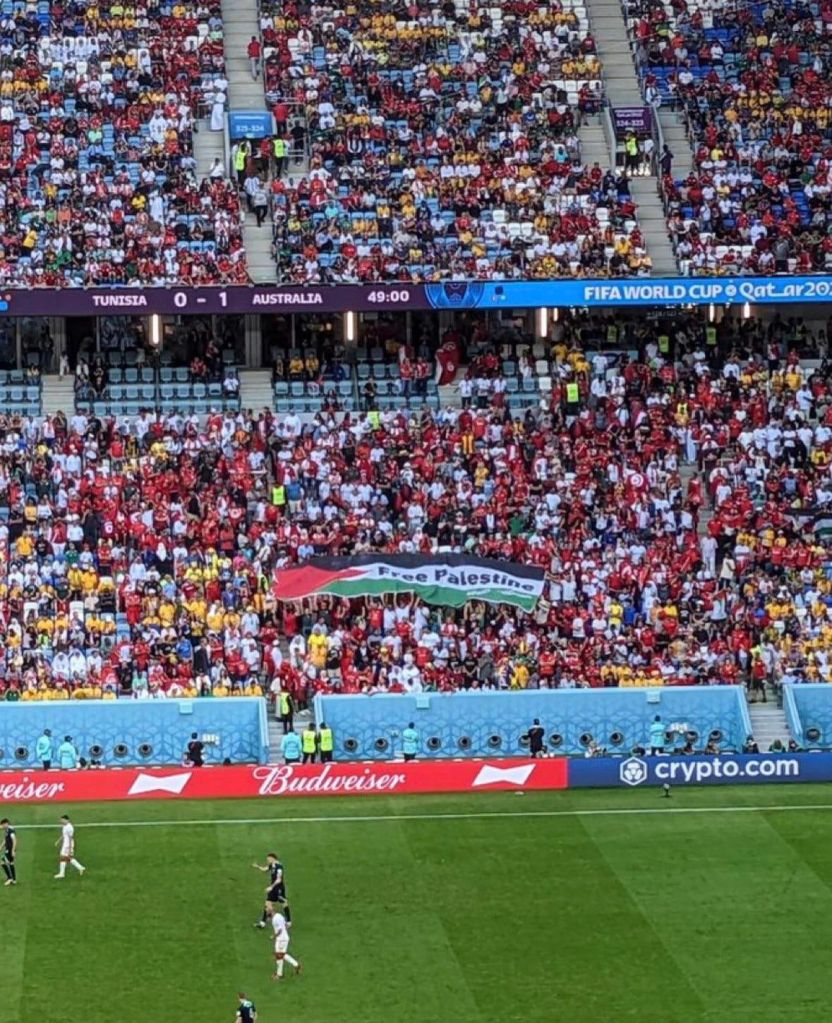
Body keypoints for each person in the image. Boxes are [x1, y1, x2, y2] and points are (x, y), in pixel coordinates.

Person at [253, 852, 291, 927]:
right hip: (273, 888)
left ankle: (289, 922)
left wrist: (271, 887)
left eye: (268, 859)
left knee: (284, 903)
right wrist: (257, 866)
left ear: (272, 858)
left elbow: (279, 879)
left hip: (279, 888)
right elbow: (265, 869)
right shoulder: (272, 865)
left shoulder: (279, 867)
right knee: (267, 903)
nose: (267, 861)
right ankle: (262, 923)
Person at [270, 905, 301, 980]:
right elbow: (286, 925)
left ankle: (279, 975)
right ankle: (296, 965)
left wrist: (273, 936)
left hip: (281, 939)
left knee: (279, 956)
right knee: (282, 955)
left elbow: (280, 930)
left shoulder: (275, 919)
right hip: (284, 938)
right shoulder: (279, 915)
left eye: (267, 910)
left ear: (271, 911)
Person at [54, 815, 86, 879]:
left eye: (62, 820)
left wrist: (69, 849)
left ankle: (62, 873)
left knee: (65, 857)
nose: (61, 821)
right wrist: (58, 841)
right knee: (66, 858)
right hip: (65, 844)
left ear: (67, 820)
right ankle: (80, 868)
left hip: (68, 845)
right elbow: (64, 835)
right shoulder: (64, 826)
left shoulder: (69, 827)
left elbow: (70, 838)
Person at [1, 818, 16, 887]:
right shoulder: (7, 830)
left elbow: (14, 840)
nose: (2, 826)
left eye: (3, 825)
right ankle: (14, 880)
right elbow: (5, 839)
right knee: (11, 864)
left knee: (3, 862)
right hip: (9, 849)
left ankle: (10, 878)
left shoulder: (11, 831)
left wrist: (13, 850)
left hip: (9, 850)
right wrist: (1, 847)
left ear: (6, 824)